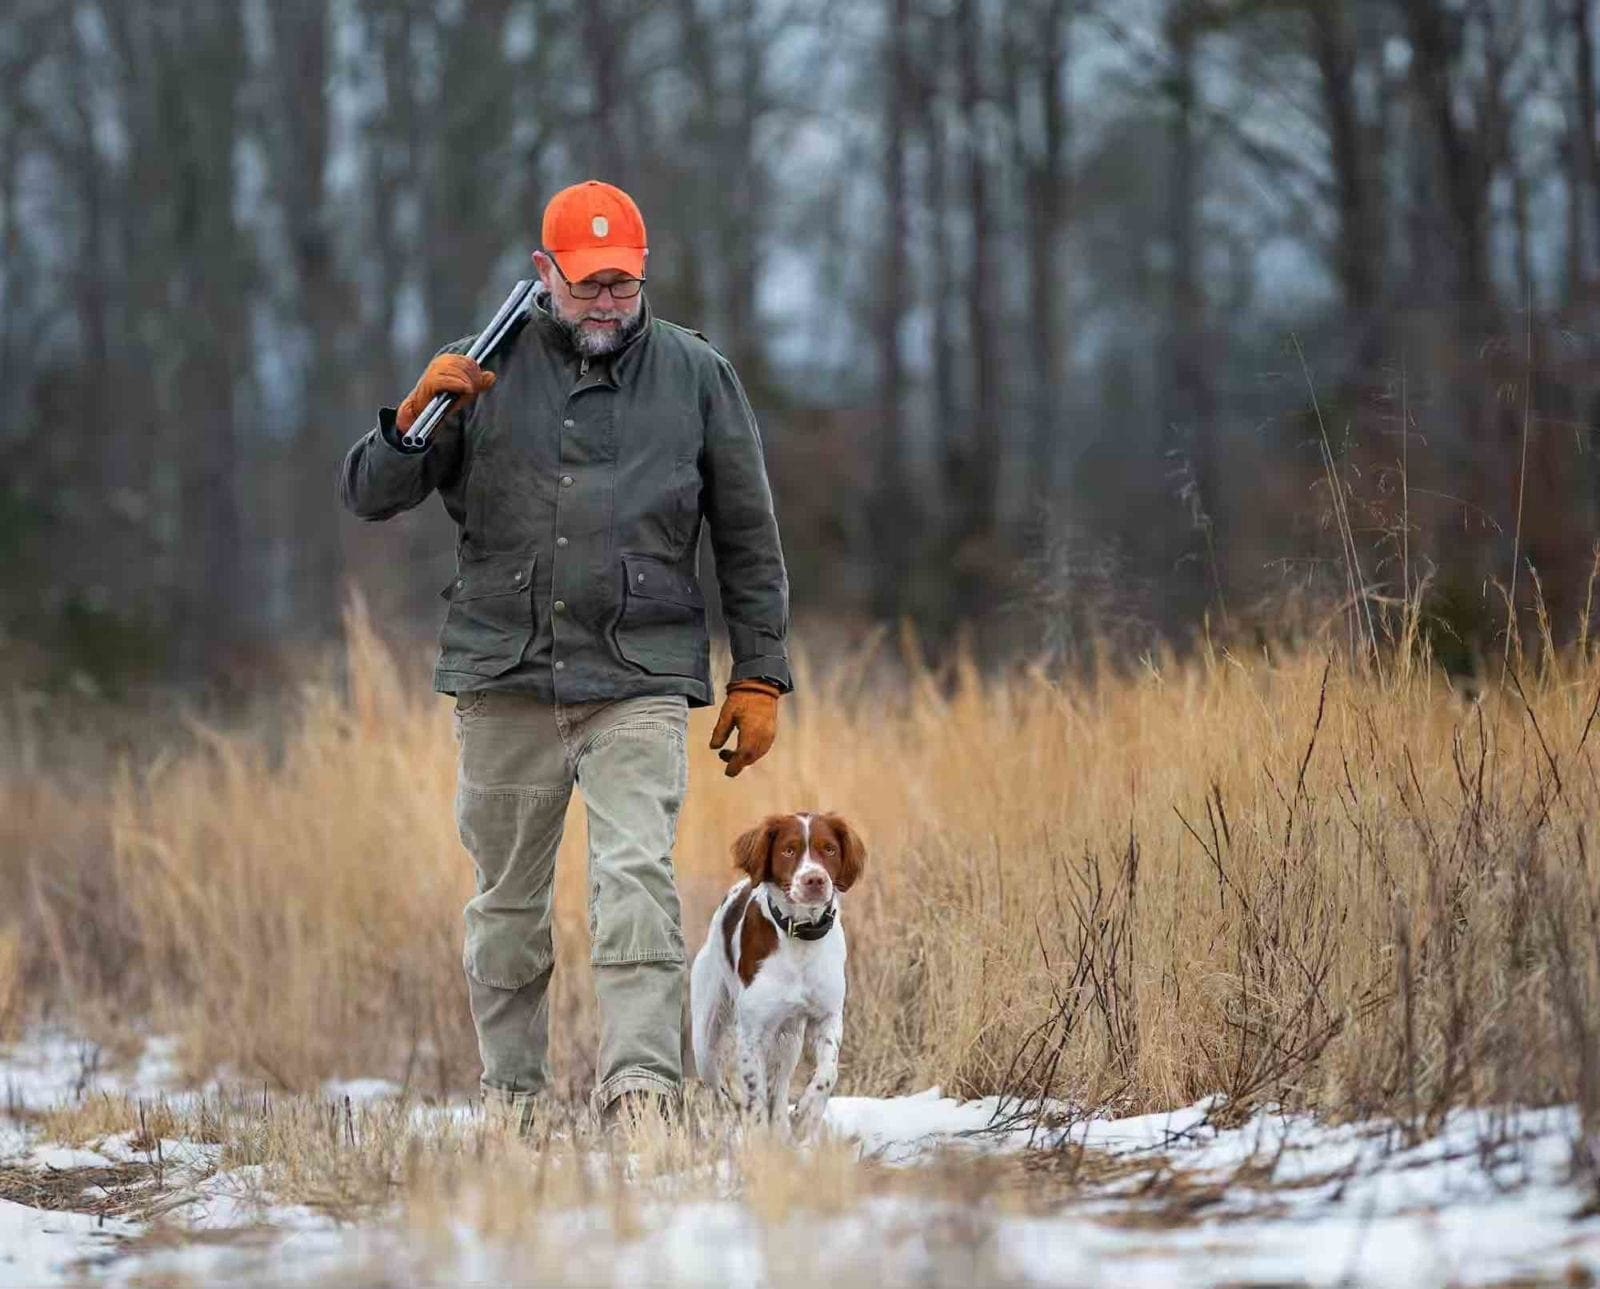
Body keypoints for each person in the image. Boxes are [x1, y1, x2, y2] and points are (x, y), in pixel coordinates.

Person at [338, 179, 792, 1131]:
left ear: (644, 275)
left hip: (639, 675)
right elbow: (369, 497)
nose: (605, 303)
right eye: (587, 285)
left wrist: (759, 672)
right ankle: (513, 1100)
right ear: (544, 274)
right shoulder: (478, 367)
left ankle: (641, 1093)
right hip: (505, 678)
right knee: (506, 907)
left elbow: (749, 535)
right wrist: (413, 413)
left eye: (621, 285)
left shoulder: (697, 373)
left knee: (635, 885)